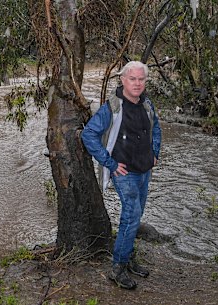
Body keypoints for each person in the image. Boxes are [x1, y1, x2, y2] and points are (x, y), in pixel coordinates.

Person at [81, 61, 161, 289]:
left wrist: (155, 151)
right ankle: (118, 267)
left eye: (141, 79)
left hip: (145, 170)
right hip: (124, 172)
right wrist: (110, 163)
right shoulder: (112, 107)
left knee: (136, 215)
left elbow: (156, 128)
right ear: (123, 80)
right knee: (131, 215)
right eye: (132, 79)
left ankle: (128, 258)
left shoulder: (147, 104)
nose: (137, 83)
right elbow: (88, 135)